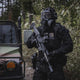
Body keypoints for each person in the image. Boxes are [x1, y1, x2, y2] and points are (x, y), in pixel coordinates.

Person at [26, 7, 73, 80]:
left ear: (54, 16)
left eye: (50, 15)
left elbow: (69, 46)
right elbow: (28, 44)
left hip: (55, 65)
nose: (49, 18)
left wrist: (55, 53)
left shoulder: (60, 29)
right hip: (41, 65)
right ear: (43, 17)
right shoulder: (39, 30)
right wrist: (34, 41)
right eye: (47, 15)